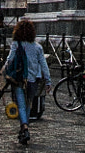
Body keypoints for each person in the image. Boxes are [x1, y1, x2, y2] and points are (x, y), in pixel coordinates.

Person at [4, 18, 51, 146]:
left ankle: (24, 127)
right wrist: (48, 80)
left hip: (19, 79)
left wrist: (6, 71)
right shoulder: (38, 47)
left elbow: (10, 59)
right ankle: (24, 129)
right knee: (28, 104)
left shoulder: (16, 44)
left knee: (21, 105)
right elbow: (43, 65)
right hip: (33, 80)